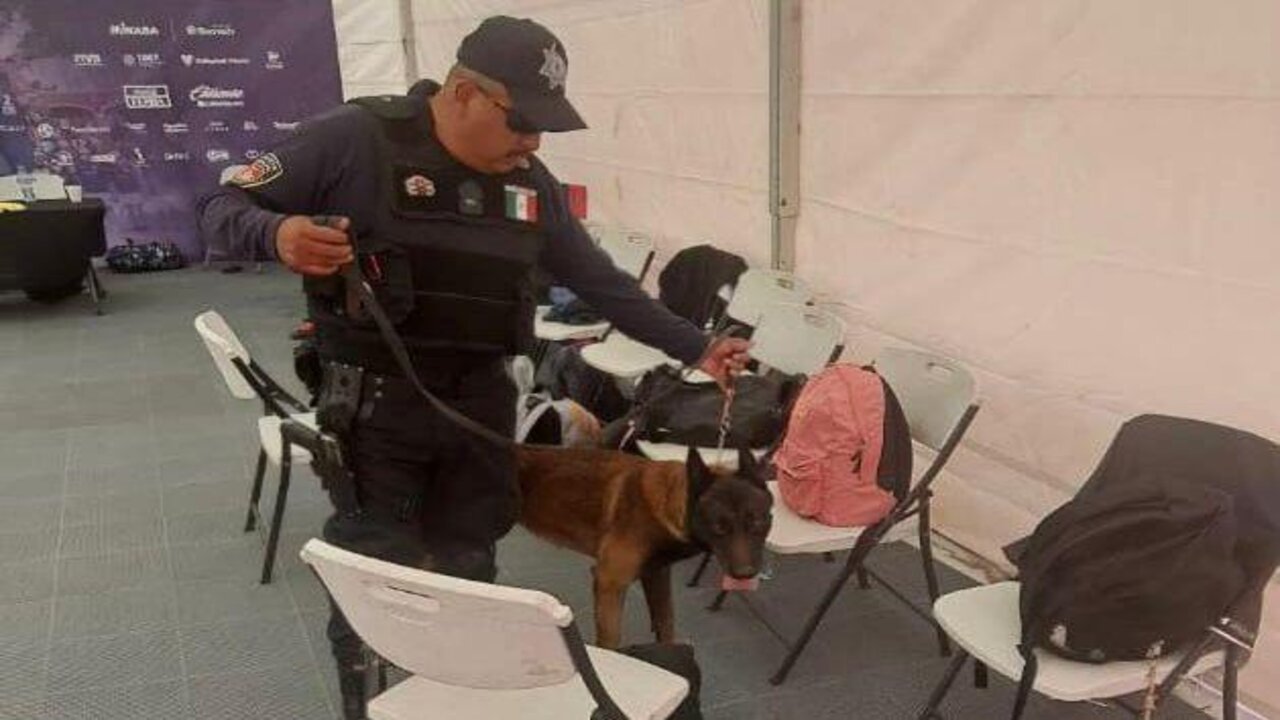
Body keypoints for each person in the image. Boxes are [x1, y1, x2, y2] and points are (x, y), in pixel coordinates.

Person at [197, 15, 749, 718]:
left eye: (544, 124)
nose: (533, 141)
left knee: (471, 573)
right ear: (462, 93)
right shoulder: (355, 139)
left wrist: (696, 346)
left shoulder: (531, 182)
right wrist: (273, 232)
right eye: (520, 120)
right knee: (380, 575)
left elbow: (599, 282)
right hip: (378, 413)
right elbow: (218, 204)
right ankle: (364, 707)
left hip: (483, 414)